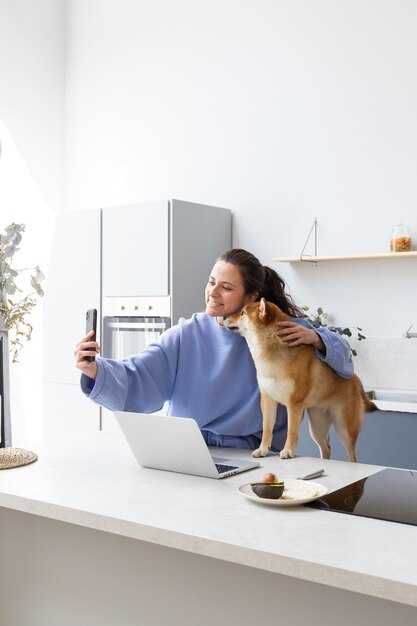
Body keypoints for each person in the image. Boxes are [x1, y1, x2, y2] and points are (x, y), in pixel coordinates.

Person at [75, 248, 353, 451]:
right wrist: (94, 370)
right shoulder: (185, 335)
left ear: (251, 298)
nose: (213, 293)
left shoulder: (280, 329)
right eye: (211, 282)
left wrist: (317, 338)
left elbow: (344, 362)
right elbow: (137, 376)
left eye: (227, 287)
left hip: (252, 457)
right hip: (186, 453)